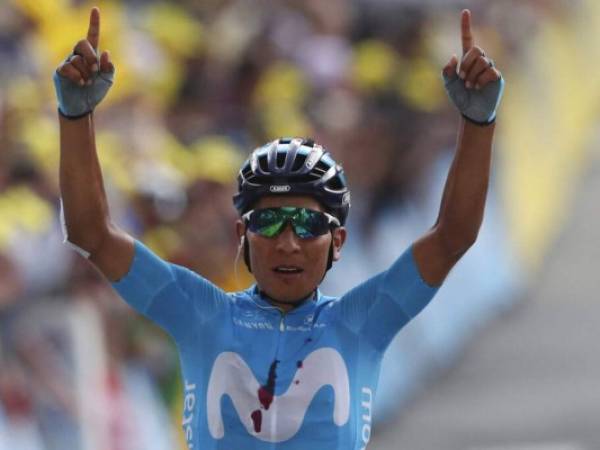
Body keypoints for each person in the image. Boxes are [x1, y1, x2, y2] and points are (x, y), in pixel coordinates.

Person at [54, 7, 503, 450]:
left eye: (308, 225)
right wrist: (76, 119)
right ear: (241, 237)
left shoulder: (363, 320)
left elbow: (453, 236)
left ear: (338, 241)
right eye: (267, 222)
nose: (287, 243)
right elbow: (91, 234)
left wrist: (478, 124)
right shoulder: (198, 311)